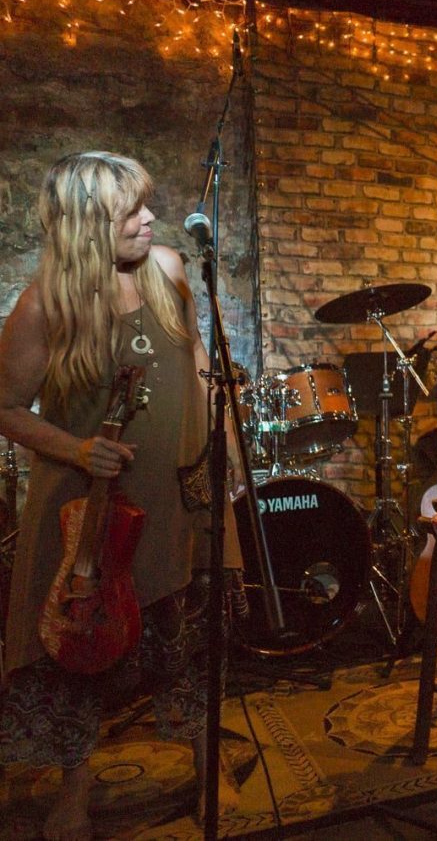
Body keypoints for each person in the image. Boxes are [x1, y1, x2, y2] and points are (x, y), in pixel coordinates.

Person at [0, 152, 243, 839]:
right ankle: (70, 796)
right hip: (88, 511)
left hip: (175, 492)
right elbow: (7, 406)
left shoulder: (167, 269)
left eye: (146, 204)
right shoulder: (45, 303)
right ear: (84, 227)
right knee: (77, 654)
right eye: (130, 211)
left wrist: (219, 429)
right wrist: (77, 449)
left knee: (185, 642)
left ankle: (205, 764)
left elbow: (195, 356)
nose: (149, 219)